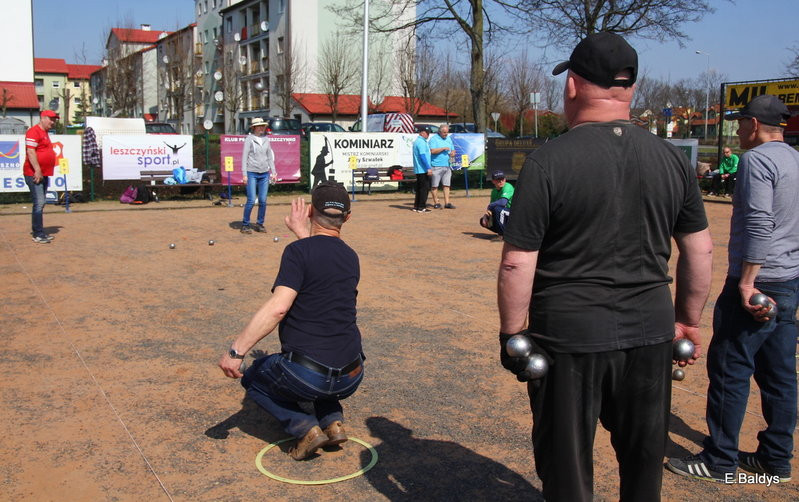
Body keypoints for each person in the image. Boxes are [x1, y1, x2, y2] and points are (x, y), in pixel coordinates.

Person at [496, 32, 713, 502]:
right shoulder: (672, 161)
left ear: (572, 85)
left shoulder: (548, 162)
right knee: (642, 464)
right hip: (651, 329)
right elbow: (700, 251)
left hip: (569, 335)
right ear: (630, 89)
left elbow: (517, 263)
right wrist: (689, 320)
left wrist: (511, 335)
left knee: (568, 468)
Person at [666, 95, 799, 484]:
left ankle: (719, 460)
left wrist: (746, 282)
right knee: (779, 373)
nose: (738, 130)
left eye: (741, 123)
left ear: (754, 124)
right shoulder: (794, 159)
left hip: (758, 282)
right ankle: (776, 459)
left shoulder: (757, 161)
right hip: (789, 279)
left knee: (729, 368)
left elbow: (759, 224)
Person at [219, 181, 365, 461]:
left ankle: (305, 427)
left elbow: (278, 308)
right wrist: (303, 236)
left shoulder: (298, 253)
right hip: (352, 375)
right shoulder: (350, 256)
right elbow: (321, 262)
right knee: (326, 361)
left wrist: (236, 351)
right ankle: (332, 420)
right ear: (347, 217)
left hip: (309, 375)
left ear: (310, 211)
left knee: (254, 377)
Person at [24, 110, 59, 244]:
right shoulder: (33, 131)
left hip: (43, 173)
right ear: (43, 118)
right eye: (51, 119)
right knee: (39, 203)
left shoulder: (44, 133)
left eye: (54, 120)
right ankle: (38, 234)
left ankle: (39, 231)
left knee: (41, 202)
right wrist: (37, 170)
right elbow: (31, 151)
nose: (53, 122)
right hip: (34, 174)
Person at [240, 117, 277, 234]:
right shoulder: (249, 139)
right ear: (254, 128)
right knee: (251, 200)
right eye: (260, 126)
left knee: (263, 200)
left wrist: (274, 172)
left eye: (263, 126)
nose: (262, 128)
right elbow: (244, 157)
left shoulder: (266, 139)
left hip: (264, 174)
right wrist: (244, 174)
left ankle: (260, 224)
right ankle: (245, 224)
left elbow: (269, 157)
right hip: (251, 173)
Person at [428, 124, 457, 209]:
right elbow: (432, 151)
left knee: (446, 185)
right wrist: (443, 148)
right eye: (444, 132)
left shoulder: (448, 138)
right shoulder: (433, 139)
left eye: (447, 132)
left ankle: (447, 203)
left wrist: (453, 153)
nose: (446, 134)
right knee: (434, 186)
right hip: (436, 165)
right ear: (439, 132)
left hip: (447, 165)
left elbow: (453, 149)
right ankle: (436, 202)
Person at [479, 170, 514, 235]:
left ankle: (502, 234)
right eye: (498, 179)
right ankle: (505, 231)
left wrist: (490, 206)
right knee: (483, 221)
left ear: (505, 180)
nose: (501, 181)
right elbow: (491, 209)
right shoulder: (494, 192)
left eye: (502, 179)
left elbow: (503, 202)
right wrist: (486, 216)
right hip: (505, 214)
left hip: (515, 214)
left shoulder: (508, 187)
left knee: (497, 209)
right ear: (493, 181)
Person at [412, 125, 432, 213]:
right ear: (422, 133)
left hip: (419, 169)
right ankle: (421, 207)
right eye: (427, 133)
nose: (428, 135)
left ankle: (416, 206)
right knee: (425, 188)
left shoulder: (418, 141)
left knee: (420, 188)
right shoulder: (421, 142)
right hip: (423, 169)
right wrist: (428, 168)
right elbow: (422, 155)